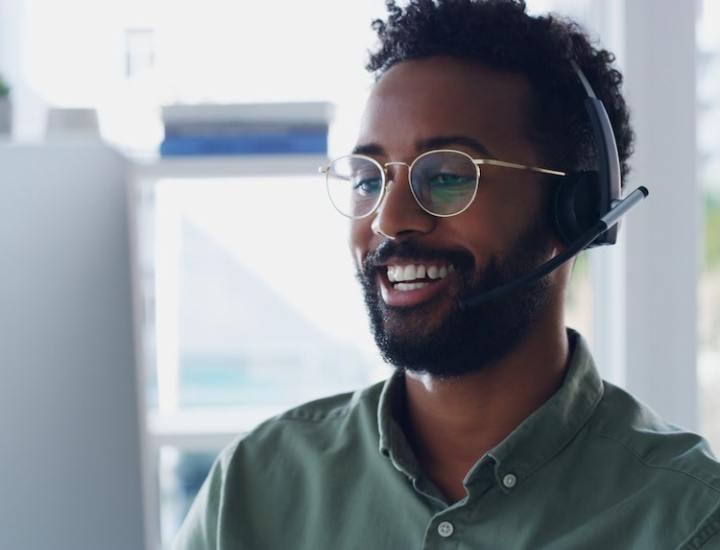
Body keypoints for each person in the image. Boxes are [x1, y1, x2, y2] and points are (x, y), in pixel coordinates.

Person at [174, 1, 720, 548]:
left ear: (571, 210)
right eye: (369, 180)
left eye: (448, 176)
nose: (389, 219)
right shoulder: (253, 488)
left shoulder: (686, 518)